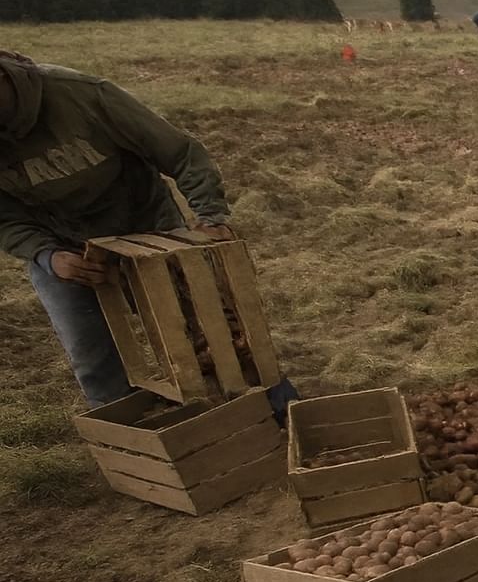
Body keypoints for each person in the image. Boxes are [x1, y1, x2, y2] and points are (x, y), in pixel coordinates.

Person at [0, 52, 297, 416]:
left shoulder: (82, 94)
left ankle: (279, 417)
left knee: (210, 329)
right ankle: (136, 446)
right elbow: (5, 218)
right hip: (62, 246)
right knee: (91, 355)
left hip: (145, 224)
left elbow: (180, 152)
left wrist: (210, 215)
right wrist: (47, 255)